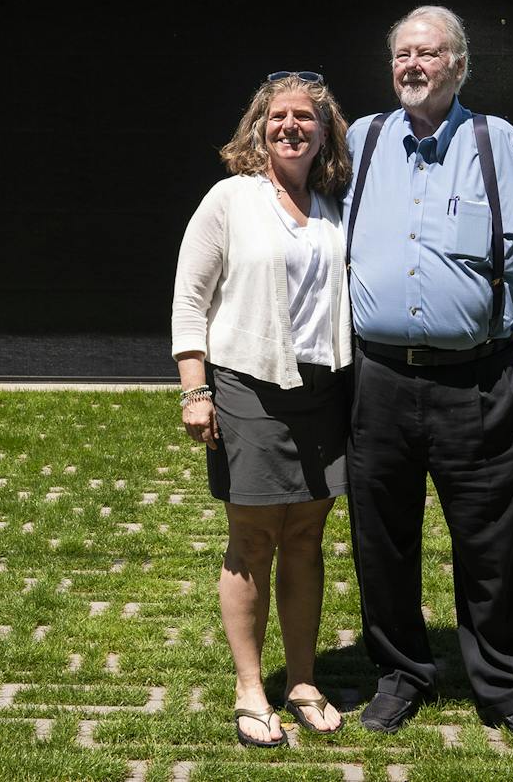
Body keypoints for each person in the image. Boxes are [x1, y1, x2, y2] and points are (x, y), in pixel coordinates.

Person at [344, 5, 513, 750]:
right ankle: (401, 672)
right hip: (376, 379)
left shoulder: (498, 142)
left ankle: (506, 683)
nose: (413, 65)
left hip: (482, 378)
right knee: (381, 537)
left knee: (495, 541)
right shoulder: (362, 140)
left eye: (429, 52)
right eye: (402, 54)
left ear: (459, 65)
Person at [171, 72, 353, 748]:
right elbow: (190, 297)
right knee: (253, 540)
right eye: (280, 116)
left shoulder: (334, 201)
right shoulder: (230, 199)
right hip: (248, 387)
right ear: (259, 125)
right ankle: (251, 687)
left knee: (307, 537)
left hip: (324, 391)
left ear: (325, 129)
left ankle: (302, 679)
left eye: (306, 117)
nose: (292, 126)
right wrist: (196, 388)